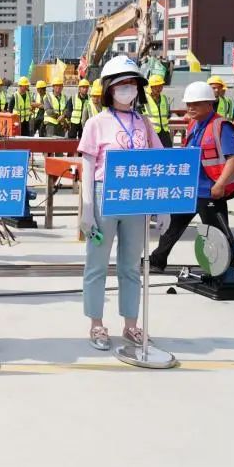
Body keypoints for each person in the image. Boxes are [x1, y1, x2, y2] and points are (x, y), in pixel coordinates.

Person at [77, 56, 163, 351]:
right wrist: (87, 209)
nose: (127, 89)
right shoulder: (96, 123)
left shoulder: (144, 123)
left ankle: (130, 325)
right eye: (121, 84)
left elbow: (159, 162)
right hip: (105, 196)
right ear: (109, 89)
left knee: (130, 266)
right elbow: (87, 167)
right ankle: (97, 324)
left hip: (136, 198)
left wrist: (161, 206)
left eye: (131, 84)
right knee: (97, 264)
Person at [150, 81, 234, 273]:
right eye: (188, 104)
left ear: (209, 104)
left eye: (196, 104)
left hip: (210, 191)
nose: (190, 108)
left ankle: (229, 270)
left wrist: (219, 185)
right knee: (172, 226)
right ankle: (156, 261)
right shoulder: (195, 125)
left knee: (218, 232)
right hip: (190, 189)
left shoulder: (221, 126)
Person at [143, 74, 173, 148]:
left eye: (161, 86)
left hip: (164, 132)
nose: (159, 88)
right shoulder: (144, 99)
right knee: (153, 156)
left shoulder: (164, 98)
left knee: (168, 153)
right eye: (156, 86)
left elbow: (168, 113)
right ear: (151, 87)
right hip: (151, 132)